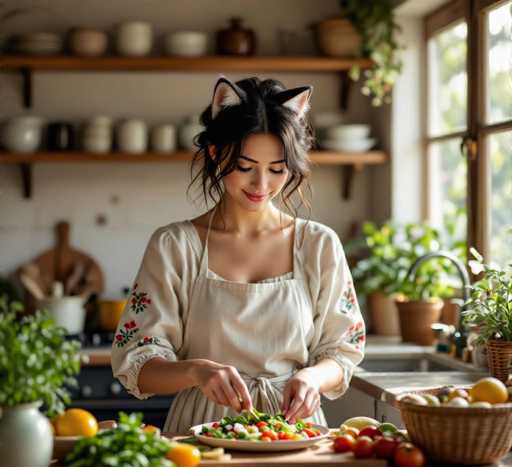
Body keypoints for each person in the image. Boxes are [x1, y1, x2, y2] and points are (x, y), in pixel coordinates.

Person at [111, 75, 366, 435]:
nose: (261, 185)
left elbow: (343, 350)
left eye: (277, 170)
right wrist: (197, 371)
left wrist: (312, 378)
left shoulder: (318, 245)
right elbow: (137, 361)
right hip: (199, 433)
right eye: (245, 167)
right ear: (215, 153)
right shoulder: (174, 245)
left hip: (294, 433)